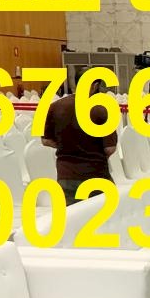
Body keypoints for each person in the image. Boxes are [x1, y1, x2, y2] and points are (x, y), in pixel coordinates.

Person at [41, 69, 118, 205]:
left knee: (72, 216)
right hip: (96, 173)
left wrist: (67, 146)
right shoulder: (101, 109)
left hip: (66, 174)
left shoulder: (55, 107)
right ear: (94, 85)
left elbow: (45, 140)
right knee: (102, 214)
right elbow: (109, 148)